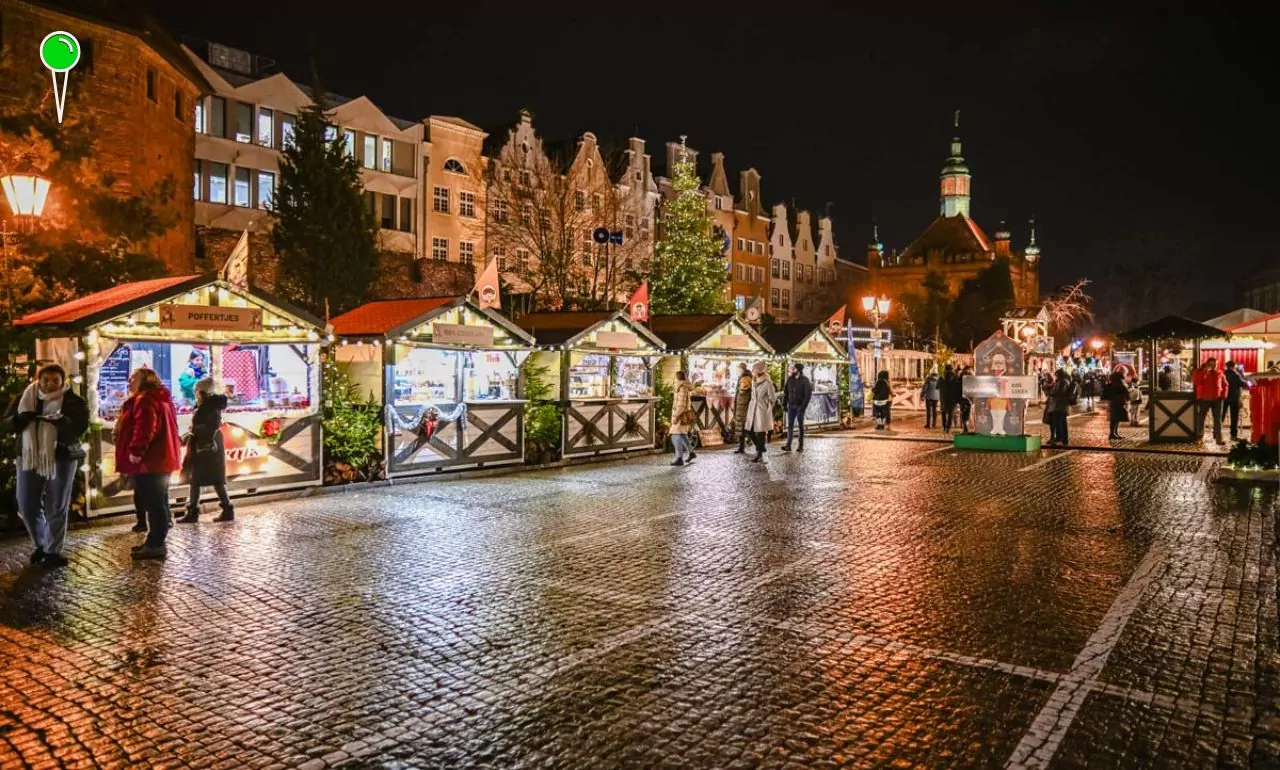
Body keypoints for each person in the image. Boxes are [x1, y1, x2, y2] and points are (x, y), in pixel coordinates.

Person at [2, 364, 89, 568]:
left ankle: (52, 550)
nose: (50, 384)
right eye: (46, 380)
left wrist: (61, 422)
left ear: (63, 381)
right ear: (38, 380)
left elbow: (79, 428)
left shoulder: (73, 401)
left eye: (55, 381)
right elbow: (5, 423)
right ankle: (40, 543)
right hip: (28, 456)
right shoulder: (25, 397)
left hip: (61, 457)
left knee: (56, 504)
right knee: (26, 503)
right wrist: (18, 420)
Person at [117, 368, 182, 560]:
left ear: (145, 380)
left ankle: (155, 544)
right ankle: (154, 541)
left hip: (150, 461)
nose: (129, 381)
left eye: (133, 377)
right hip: (162, 458)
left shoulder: (145, 399)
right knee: (158, 501)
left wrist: (136, 452)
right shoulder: (161, 398)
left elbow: (145, 427)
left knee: (154, 502)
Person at [178, 378, 235, 523]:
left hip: (207, 446)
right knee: (205, 479)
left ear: (203, 392)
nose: (195, 394)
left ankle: (194, 512)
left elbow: (210, 427)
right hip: (204, 445)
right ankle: (225, 509)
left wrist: (193, 432)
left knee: (202, 478)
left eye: (197, 391)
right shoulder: (205, 405)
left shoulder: (209, 407)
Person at [744, 361, 776, 462]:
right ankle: (761, 448)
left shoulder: (767, 382)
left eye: (754, 369)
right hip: (752, 408)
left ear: (759, 370)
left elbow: (772, 398)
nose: (753, 371)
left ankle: (759, 454)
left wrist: (767, 407)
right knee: (749, 430)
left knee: (761, 432)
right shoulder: (754, 380)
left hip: (761, 410)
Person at [1192, 357, 1227, 445]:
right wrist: (1205, 371)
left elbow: (1225, 384)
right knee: (1201, 418)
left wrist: (1223, 396)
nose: (1213, 366)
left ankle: (1218, 438)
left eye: (1215, 364)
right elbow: (1197, 382)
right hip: (1204, 399)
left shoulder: (1219, 372)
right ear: (1207, 364)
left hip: (1217, 399)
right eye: (1211, 364)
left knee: (1218, 419)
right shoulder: (1200, 372)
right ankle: (1199, 437)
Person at [780, 363, 813, 452]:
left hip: (800, 406)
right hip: (791, 405)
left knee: (800, 426)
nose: (792, 370)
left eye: (794, 369)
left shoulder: (805, 380)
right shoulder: (790, 380)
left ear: (798, 370)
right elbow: (786, 392)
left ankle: (800, 446)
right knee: (790, 425)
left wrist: (803, 407)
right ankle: (788, 445)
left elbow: (808, 395)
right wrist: (784, 404)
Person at [667, 370, 695, 467]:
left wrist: (676, 416)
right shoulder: (683, 387)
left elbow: (681, 405)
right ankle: (691, 452)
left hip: (680, 415)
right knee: (682, 434)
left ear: (677, 378)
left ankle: (679, 458)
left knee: (675, 436)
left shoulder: (682, 388)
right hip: (682, 414)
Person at [1223, 360, 1249, 442]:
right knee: (1234, 417)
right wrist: (1252, 382)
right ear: (1233, 366)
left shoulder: (1223, 374)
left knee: (1221, 416)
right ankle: (1233, 435)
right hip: (1234, 398)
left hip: (1224, 398)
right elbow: (1244, 384)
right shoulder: (1236, 375)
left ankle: (1216, 434)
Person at [1047, 369, 1073, 446]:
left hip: (1060, 406)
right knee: (1057, 423)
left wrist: (1051, 392)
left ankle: (1063, 439)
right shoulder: (1061, 381)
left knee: (1061, 423)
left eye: (1057, 374)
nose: (1056, 376)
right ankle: (1059, 438)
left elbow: (1059, 392)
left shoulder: (1063, 382)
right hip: (1058, 406)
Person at [731, 363, 753, 454]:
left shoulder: (746, 379)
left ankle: (747, 445)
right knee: (741, 428)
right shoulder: (742, 378)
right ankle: (742, 447)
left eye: (738, 369)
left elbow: (745, 392)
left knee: (744, 427)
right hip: (741, 406)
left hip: (744, 407)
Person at [1102, 371, 1129, 440]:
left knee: (1114, 419)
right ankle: (1113, 433)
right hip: (1118, 404)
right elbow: (1126, 393)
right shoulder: (1121, 385)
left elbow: (1105, 395)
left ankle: (1114, 433)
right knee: (1116, 419)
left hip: (1113, 403)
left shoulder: (1111, 385)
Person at [940, 364, 959, 434]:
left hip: (943, 397)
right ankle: (948, 427)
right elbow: (957, 387)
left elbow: (937, 387)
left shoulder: (941, 377)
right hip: (952, 397)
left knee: (943, 412)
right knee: (950, 413)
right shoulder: (955, 377)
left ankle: (944, 426)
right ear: (951, 369)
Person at [958, 366, 974, 433]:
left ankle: (965, 428)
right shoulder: (972, 377)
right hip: (969, 398)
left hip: (962, 398)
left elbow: (958, 387)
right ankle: (966, 428)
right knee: (968, 414)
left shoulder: (960, 377)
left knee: (963, 413)